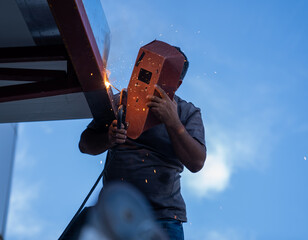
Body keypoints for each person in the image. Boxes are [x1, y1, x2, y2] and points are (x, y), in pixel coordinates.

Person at [79, 46, 206, 240]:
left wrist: (173, 122)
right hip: (115, 210)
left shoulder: (186, 112)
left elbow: (196, 162)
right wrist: (108, 138)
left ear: (176, 83)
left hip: (162, 219)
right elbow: (85, 145)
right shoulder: (120, 100)